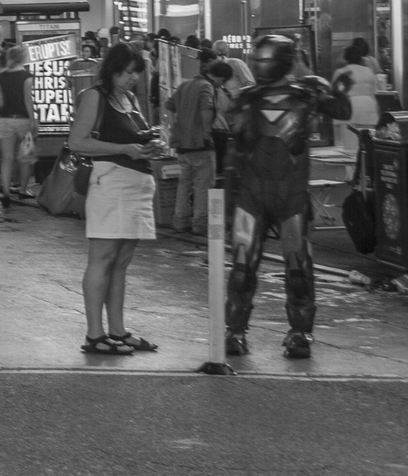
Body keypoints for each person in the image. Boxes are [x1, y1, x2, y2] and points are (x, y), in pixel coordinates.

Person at [221, 34, 350, 361]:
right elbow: (342, 108)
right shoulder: (299, 94)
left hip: (270, 192)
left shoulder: (296, 94)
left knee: (279, 266)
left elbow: (233, 152)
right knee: (270, 266)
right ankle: (277, 333)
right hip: (270, 192)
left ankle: (261, 332)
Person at [68, 43, 166, 357]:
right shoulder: (95, 96)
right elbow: (77, 142)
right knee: (103, 258)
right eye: (126, 73)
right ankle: (95, 334)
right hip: (111, 185)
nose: (131, 79)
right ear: (112, 69)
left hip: (136, 185)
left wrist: (149, 145)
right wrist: (125, 149)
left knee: (121, 262)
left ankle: (118, 330)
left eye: (135, 73)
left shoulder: (131, 99)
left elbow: (131, 138)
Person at [167, 59, 234, 235]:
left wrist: (178, 126)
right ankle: (200, 224)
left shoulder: (186, 84)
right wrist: (206, 134)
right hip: (200, 145)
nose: (221, 85)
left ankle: (180, 221)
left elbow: (169, 106)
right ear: (219, 78)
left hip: (182, 145)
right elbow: (206, 110)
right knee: (204, 185)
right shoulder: (206, 86)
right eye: (223, 81)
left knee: (184, 185)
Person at [0, 44, 37, 202]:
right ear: (22, 58)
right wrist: (33, 120)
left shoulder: (0, 77)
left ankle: (6, 192)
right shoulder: (26, 77)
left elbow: (0, 101)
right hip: (22, 119)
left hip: (4, 120)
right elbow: (27, 100)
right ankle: (23, 189)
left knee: (7, 158)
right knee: (25, 157)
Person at [330, 40, 383, 152]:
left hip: (348, 109)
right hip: (369, 108)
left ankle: (353, 169)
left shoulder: (341, 72)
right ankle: (366, 168)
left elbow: (335, 94)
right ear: (361, 58)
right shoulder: (368, 71)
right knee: (368, 145)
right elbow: (375, 92)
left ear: (345, 58)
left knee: (350, 147)